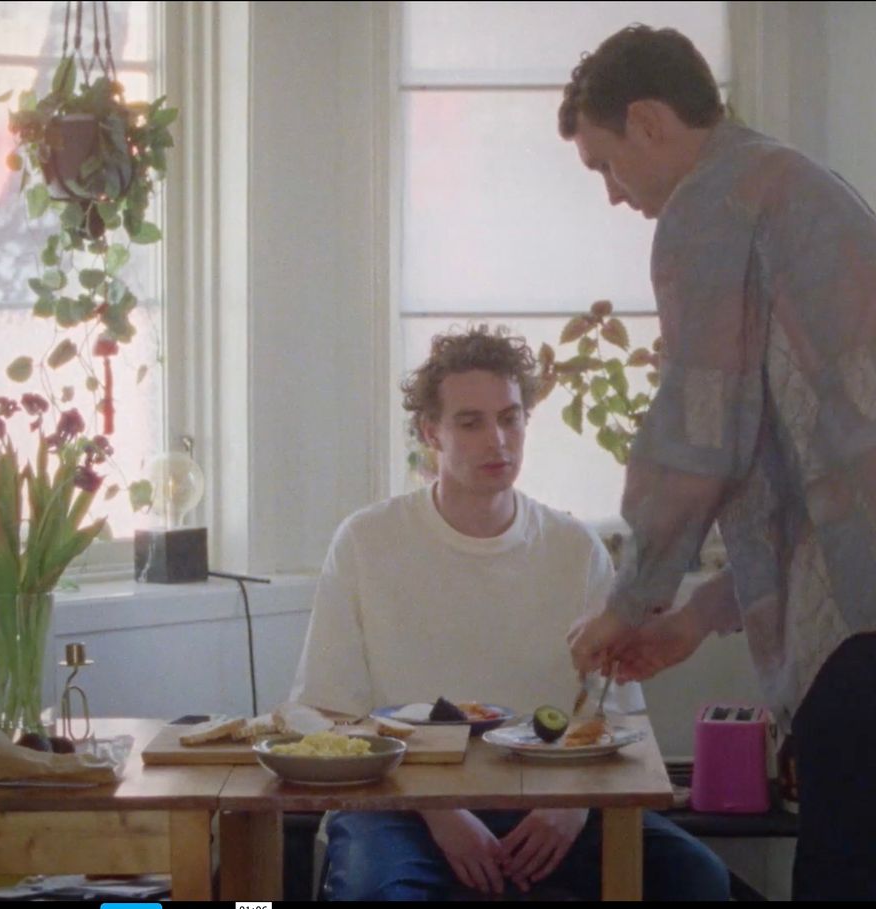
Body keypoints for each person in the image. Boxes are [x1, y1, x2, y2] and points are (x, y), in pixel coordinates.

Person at [557, 25, 876, 900]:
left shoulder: (710, 204)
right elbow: (816, 467)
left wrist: (628, 599)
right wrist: (693, 616)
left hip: (874, 614)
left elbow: (699, 430)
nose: (616, 197)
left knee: (854, 876)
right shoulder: (798, 184)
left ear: (649, 121)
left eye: (606, 165)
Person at [288, 324, 729, 901]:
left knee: (697, 880)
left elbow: (620, 721)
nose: (497, 440)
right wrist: (438, 811)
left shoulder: (574, 548)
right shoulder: (366, 543)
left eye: (511, 417)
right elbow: (325, 714)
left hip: (556, 802)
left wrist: (569, 810)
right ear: (431, 434)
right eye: (470, 422)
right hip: (399, 810)